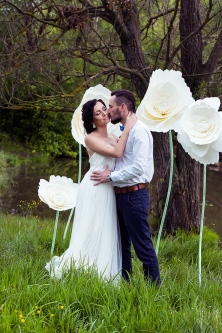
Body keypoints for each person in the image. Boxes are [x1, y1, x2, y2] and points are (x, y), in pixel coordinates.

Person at [45, 98, 137, 280]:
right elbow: (117, 153)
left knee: (106, 228)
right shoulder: (90, 138)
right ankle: (83, 267)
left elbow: (123, 157)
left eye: (104, 109)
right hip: (95, 187)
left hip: (108, 185)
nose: (104, 114)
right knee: (92, 227)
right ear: (91, 120)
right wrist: (128, 127)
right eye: (98, 113)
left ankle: (102, 268)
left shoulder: (112, 136)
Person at [90, 89, 161, 285]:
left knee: (142, 246)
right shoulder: (123, 132)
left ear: (123, 107)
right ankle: (125, 284)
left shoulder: (139, 131)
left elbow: (139, 167)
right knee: (122, 245)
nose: (108, 112)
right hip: (120, 195)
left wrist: (110, 176)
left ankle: (153, 291)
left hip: (134, 195)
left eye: (111, 107)